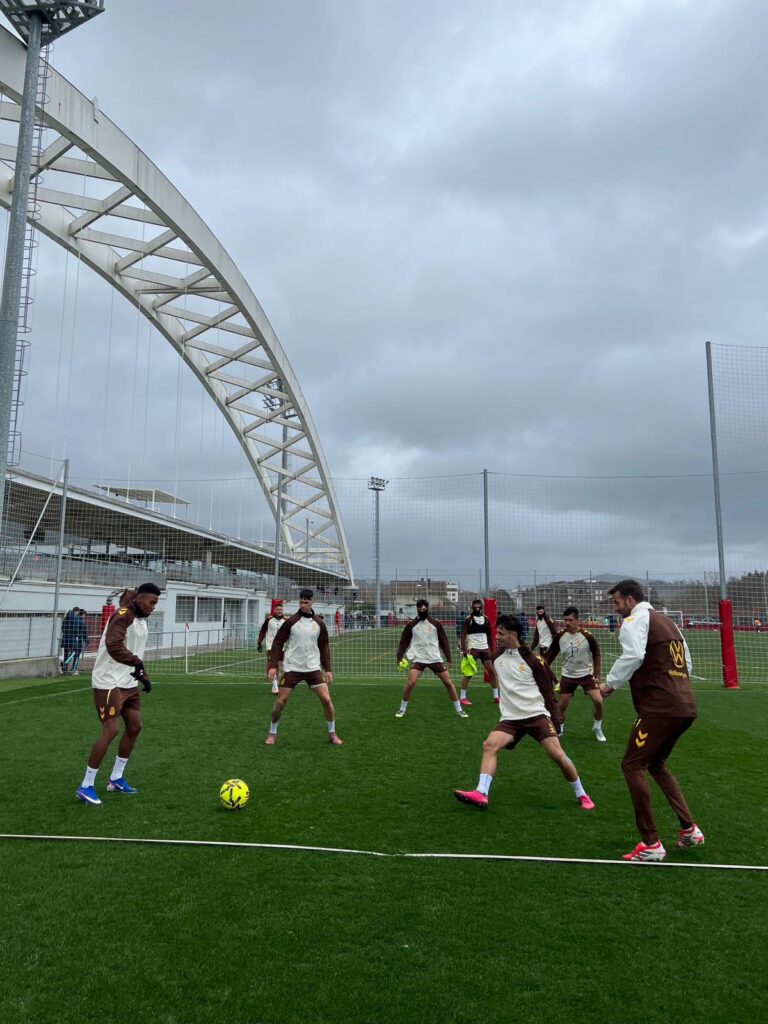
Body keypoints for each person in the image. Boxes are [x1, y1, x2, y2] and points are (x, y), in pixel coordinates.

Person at [602, 579, 703, 862]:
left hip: (660, 707)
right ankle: (689, 830)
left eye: (617, 602)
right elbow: (688, 664)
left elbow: (634, 655)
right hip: (686, 704)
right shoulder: (670, 624)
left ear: (630, 600)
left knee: (632, 765)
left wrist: (609, 684)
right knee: (656, 764)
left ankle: (651, 843)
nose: (616, 608)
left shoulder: (635, 620)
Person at [454, 615, 594, 812]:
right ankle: (481, 793)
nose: (497, 637)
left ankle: (582, 794)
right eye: (497, 633)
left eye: (501, 633)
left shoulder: (533, 660)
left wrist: (557, 720)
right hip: (511, 719)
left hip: (536, 716)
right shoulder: (496, 656)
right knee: (489, 746)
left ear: (513, 635)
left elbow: (548, 693)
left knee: (557, 755)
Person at [75, 583, 162, 806]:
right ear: (139, 599)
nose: (153, 607)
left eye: (156, 603)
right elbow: (113, 645)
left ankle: (115, 779)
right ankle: (86, 785)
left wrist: (143, 676)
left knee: (135, 726)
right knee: (111, 729)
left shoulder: (140, 616)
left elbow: (136, 651)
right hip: (108, 682)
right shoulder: (123, 615)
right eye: (151, 602)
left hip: (128, 682)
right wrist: (136, 663)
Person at [266, 589, 341, 746]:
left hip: (313, 669)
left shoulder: (319, 623)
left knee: (327, 700)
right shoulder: (291, 622)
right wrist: (273, 666)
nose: (303, 605)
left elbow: (324, 647)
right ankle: (272, 733)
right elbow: (277, 643)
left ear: (312, 602)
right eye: (301, 602)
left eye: (306, 602)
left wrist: (327, 669)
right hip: (292, 668)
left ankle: (332, 733)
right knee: (280, 703)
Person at [395, 598, 468, 718]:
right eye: (420, 608)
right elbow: (403, 642)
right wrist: (399, 658)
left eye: (424, 608)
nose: (422, 610)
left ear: (427, 608)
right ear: (417, 609)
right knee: (410, 683)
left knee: (448, 683)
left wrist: (449, 659)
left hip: (435, 658)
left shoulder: (436, 624)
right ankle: (402, 709)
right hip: (418, 658)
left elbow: (444, 641)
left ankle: (459, 709)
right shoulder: (411, 625)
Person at [546, 606, 606, 742]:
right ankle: (560, 727)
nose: (567, 623)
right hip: (568, 676)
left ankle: (597, 727)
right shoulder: (560, 636)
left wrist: (597, 673)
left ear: (577, 621)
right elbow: (550, 656)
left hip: (586, 675)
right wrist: (543, 670)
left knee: (598, 701)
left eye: (570, 620)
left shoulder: (587, 636)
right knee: (562, 705)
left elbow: (597, 653)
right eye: (565, 620)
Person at [458, 598, 498, 706]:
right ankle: (462, 697)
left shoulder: (486, 619)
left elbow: (489, 635)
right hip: (473, 649)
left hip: (485, 649)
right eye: (475, 605)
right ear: (472, 606)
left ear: (481, 606)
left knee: (492, 672)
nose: (477, 607)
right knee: (469, 673)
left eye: (478, 605)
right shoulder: (469, 619)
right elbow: (463, 634)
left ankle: (496, 697)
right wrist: (464, 648)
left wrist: (492, 649)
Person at [257, 598, 286, 694]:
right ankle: (275, 687)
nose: (279, 611)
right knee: (272, 665)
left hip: (282, 647)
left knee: (280, 666)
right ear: (274, 610)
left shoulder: (286, 621)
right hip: (271, 647)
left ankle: (277, 683)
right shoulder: (269, 620)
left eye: (280, 610)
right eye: (277, 609)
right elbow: (263, 631)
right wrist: (259, 642)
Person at [61, 607, 80, 674]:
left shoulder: (66, 618)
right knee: (75, 652)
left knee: (66, 653)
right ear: (76, 611)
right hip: (72, 638)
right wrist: (76, 634)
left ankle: (64, 669)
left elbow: (62, 628)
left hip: (65, 638)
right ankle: (65, 663)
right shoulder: (75, 618)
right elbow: (76, 628)